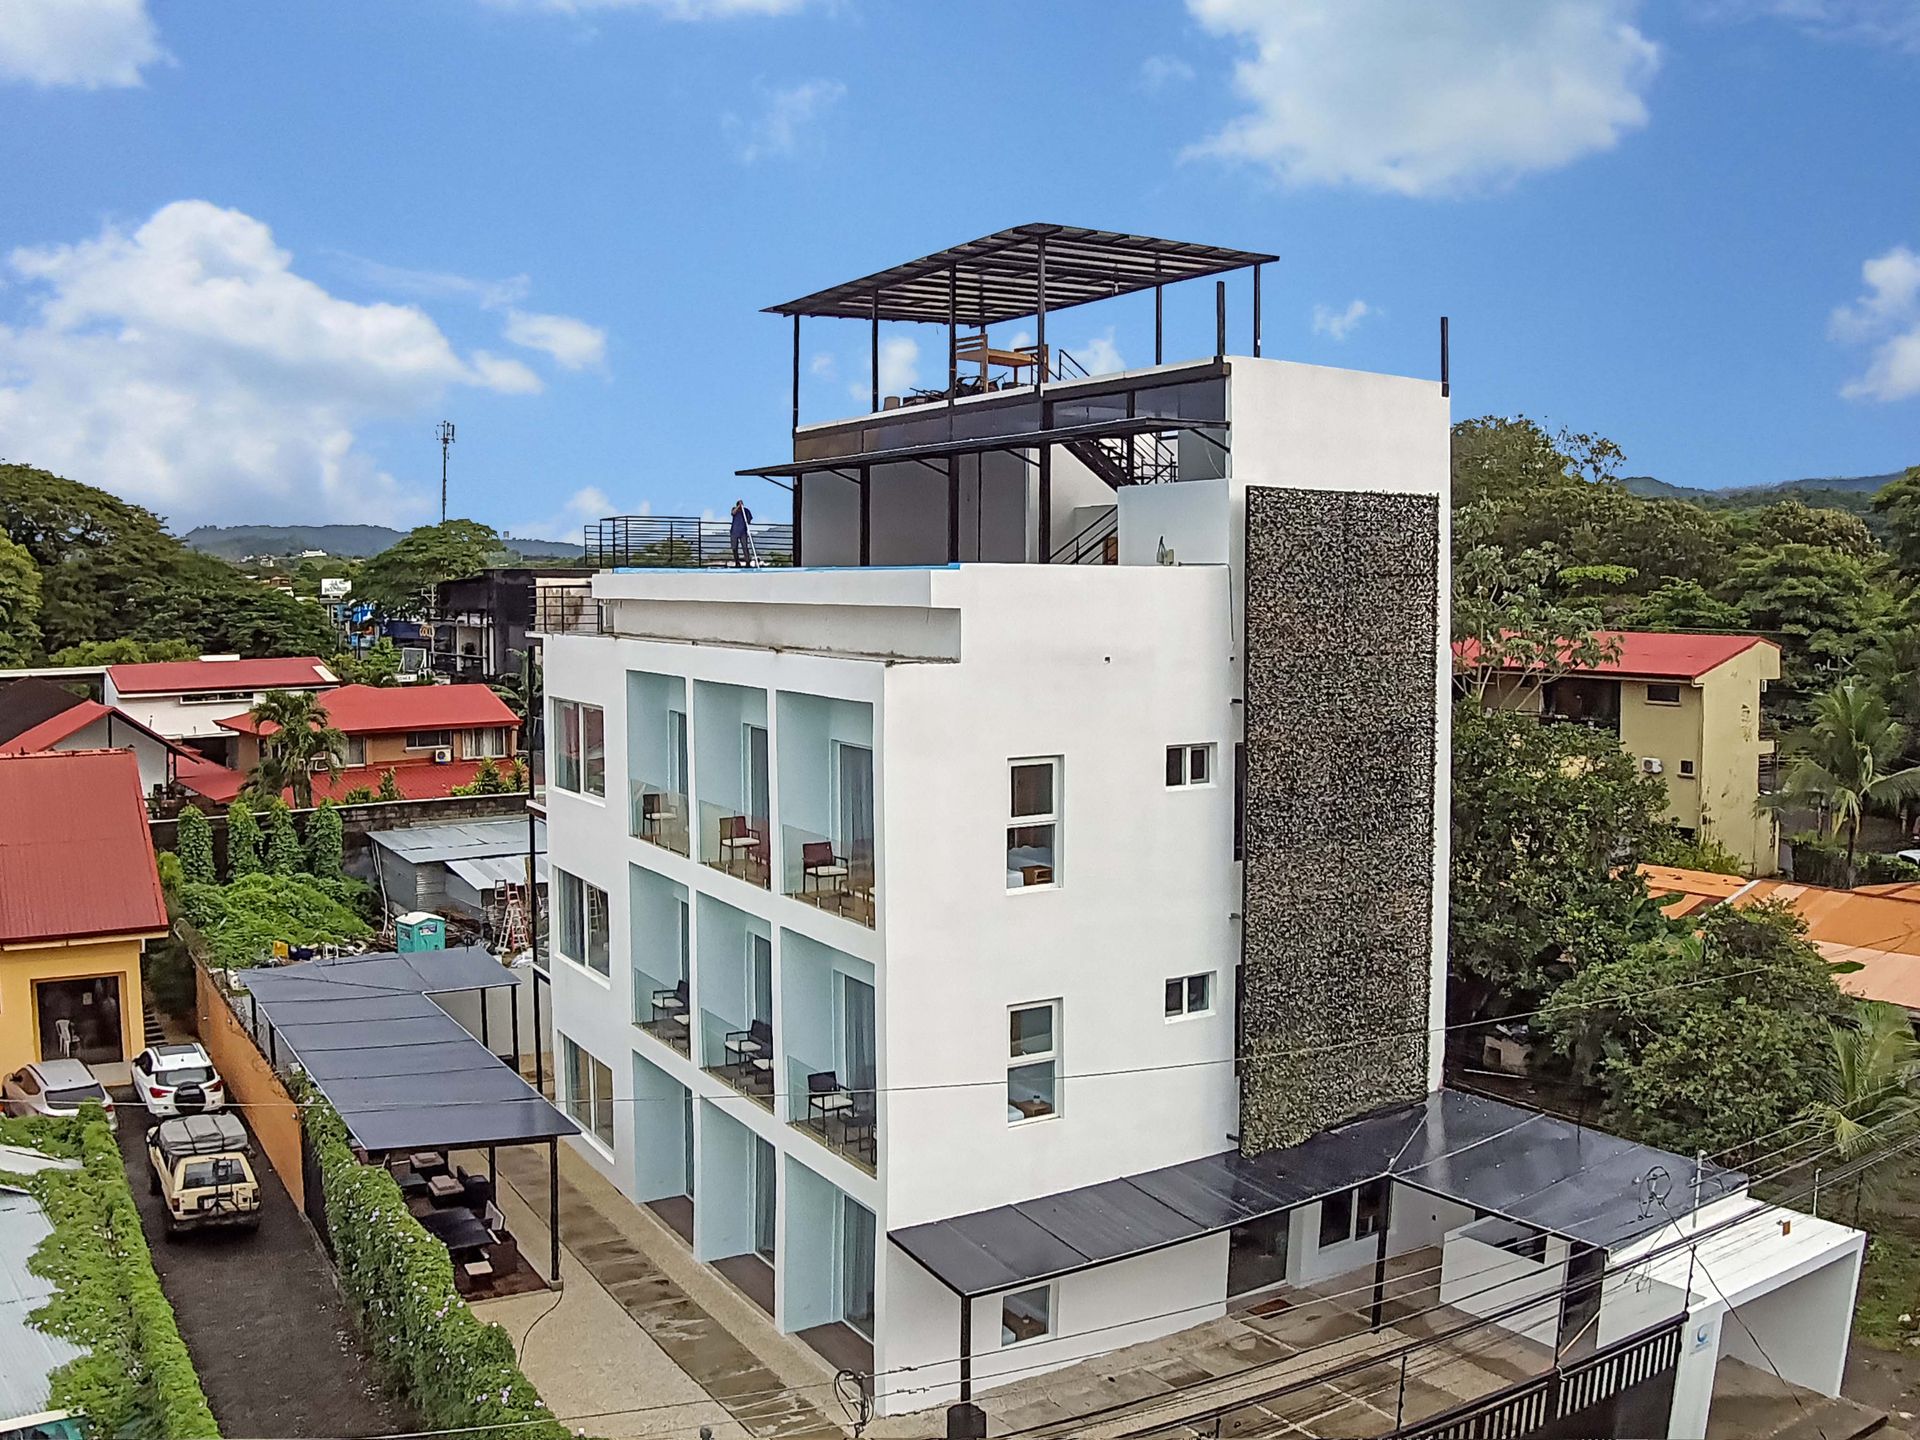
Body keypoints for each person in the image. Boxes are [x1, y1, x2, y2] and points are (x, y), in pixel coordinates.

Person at [730, 499, 754, 567]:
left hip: (743, 532)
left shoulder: (746, 511)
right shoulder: (734, 509)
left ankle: (747, 562)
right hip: (734, 532)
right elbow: (733, 513)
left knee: (745, 547)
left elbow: (749, 520)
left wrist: (747, 520)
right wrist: (738, 507)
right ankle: (737, 562)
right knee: (734, 548)